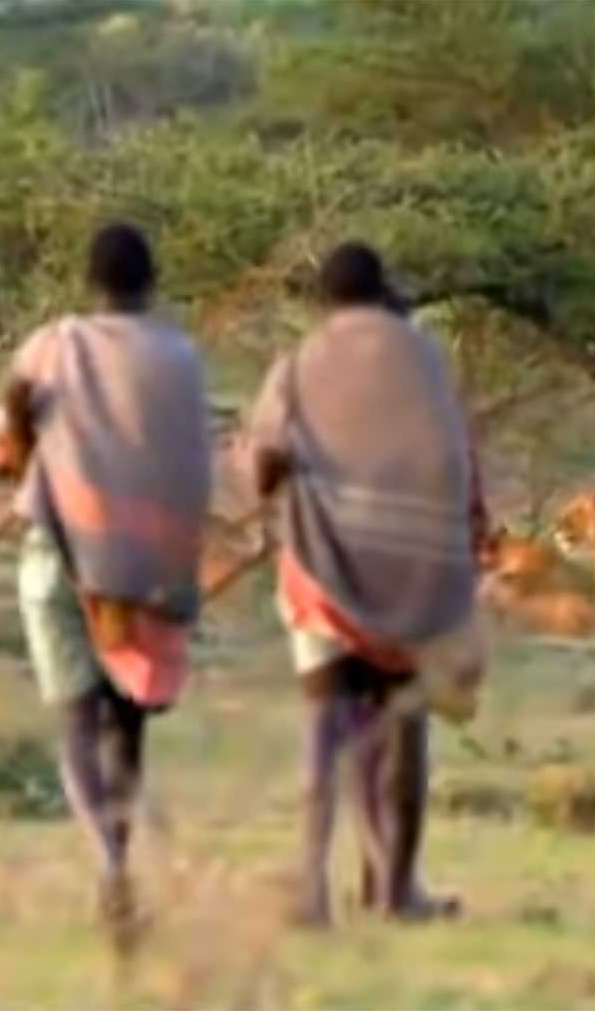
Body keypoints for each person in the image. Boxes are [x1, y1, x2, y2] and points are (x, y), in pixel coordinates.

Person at [244, 241, 489, 926]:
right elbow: (458, 457)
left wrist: (284, 483)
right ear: (382, 293)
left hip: (324, 577)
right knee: (402, 726)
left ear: (323, 301)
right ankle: (394, 889)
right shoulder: (428, 363)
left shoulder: (298, 366)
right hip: (417, 574)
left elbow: (263, 462)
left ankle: (311, 889)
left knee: (325, 724)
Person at [0, 222, 212, 937]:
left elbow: (6, 459)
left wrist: (25, 432)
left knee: (77, 719)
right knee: (127, 722)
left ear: (91, 281)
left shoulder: (53, 346)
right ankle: (123, 851)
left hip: (65, 553)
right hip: (155, 565)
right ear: (153, 281)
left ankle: (110, 861)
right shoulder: (183, 356)